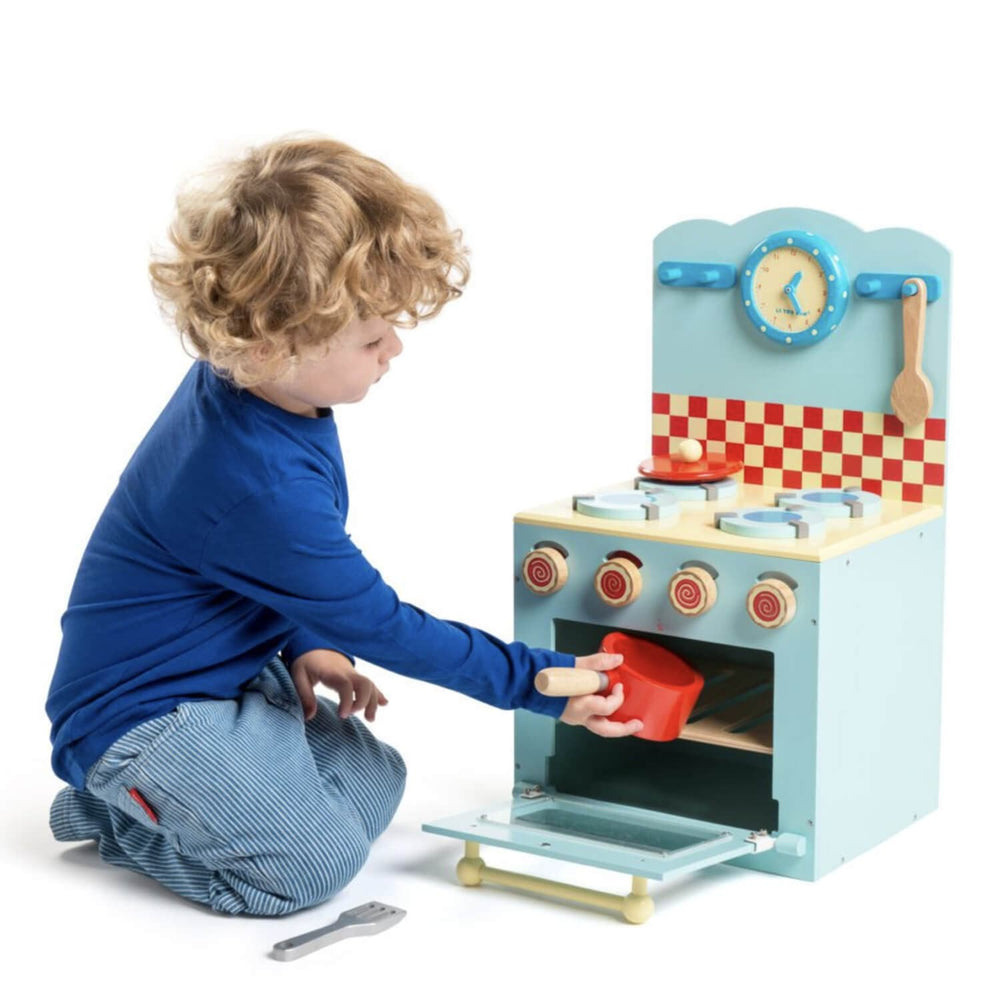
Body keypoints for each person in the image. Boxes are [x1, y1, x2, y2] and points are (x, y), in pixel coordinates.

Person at [46, 133, 643, 917]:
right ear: (265, 345)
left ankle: (200, 801)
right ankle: (113, 813)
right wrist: (534, 682)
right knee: (310, 868)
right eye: (370, 337)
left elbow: (250, 568)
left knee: (377, 780)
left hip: (224, 673)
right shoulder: (253, 479)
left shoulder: (261, 388)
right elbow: (379, 622)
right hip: (142, 718)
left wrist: (304, 639)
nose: (394, 347)